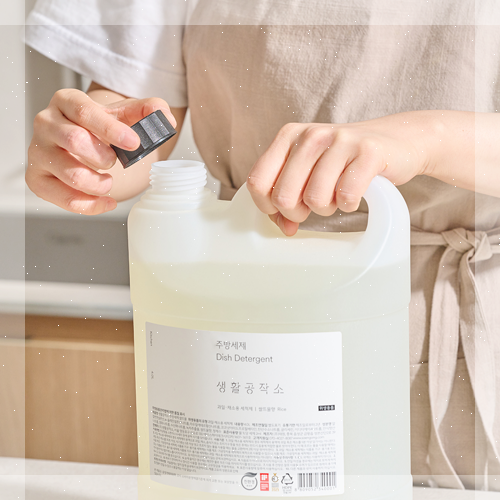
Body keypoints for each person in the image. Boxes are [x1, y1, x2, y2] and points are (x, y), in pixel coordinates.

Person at [23, 0, 500, 490]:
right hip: (253, 310)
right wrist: (88, 147)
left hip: (479, 317)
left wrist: (429, 139)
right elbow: (135, 113)